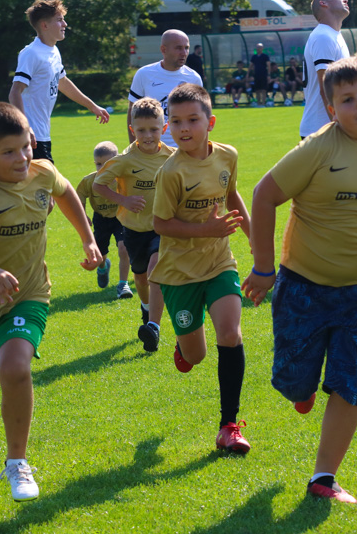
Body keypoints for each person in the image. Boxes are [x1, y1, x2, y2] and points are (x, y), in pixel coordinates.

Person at [243, 56, 357, 503]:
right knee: (295, 381)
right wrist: (264, 268)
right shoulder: (319, 147)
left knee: (352, 381)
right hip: (302, 286)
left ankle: (324, 478)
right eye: (347, 99)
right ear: (332, 109)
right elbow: (264, 196)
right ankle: (302, 390)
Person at [0, 102, 102, 501]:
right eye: (8, 152)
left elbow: (65, 194)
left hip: (29, 295)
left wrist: (88, 237)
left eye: (26, 146)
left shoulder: (41, 172)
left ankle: (17, 464)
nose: (23, 157)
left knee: (15, 366)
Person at [150, 83, 253, 453]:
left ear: (210, 122)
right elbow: (161, 224)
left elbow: (232, 196)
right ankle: (183, 348)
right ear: (167, 127)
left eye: (192, 120)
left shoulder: (227, 156)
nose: (183, 128)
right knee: (196, 356)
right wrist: (204, 228)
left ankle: (229, 426)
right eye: (175, 121)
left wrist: (254, 240)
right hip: (178, 273)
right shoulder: (171, 172)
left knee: (230, 332)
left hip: (220, 262)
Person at [93, 98, 173, 352]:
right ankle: (146, 310)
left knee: (154, 269)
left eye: (154, 129)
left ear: (165, 127)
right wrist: (123, 199)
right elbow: (98, 185)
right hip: (134, 230)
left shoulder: (172, 157)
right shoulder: (125, 159)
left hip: (162, 227)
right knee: (140, 278)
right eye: (141, 130)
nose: (148, 136)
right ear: (132, 129)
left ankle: (154, 327)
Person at [9, 0, 109, 163]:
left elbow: (63, 82)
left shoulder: (53, 51)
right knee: (49, 185)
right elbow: (14, 93)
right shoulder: (31, 53)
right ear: (44, 25)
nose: (65, 23)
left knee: (40, 186)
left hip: (42, 134)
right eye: (59, 19)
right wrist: (25, 128)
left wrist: (92, 106)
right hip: (31, 138)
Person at [75, 141, 133, 299]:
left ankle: (123, 284)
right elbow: (78, 196)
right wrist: (84, 216)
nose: (102, 169)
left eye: (107, 164)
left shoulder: (125, 179)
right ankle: (103, 267)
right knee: (100, 255)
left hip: (121, 218)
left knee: (124, 248)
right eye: (98, 164)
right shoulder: (90, 181)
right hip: (101, 219)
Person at [128, 29, 202, 148]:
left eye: (186, 48)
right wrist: (134, 148)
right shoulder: (144, 74)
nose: (184, 52)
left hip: (183, 151)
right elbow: (132, 113)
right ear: (163, 49)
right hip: (152, 151)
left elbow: (199, 118)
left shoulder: (194, 78)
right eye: (178, 48)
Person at [300, 0, 350, 139]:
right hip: (323, 130)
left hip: (325, 128)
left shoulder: (333, 35)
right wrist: (340, 125)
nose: (345, 0)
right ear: (323, 3)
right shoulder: (324, 36)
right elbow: (326, 88)